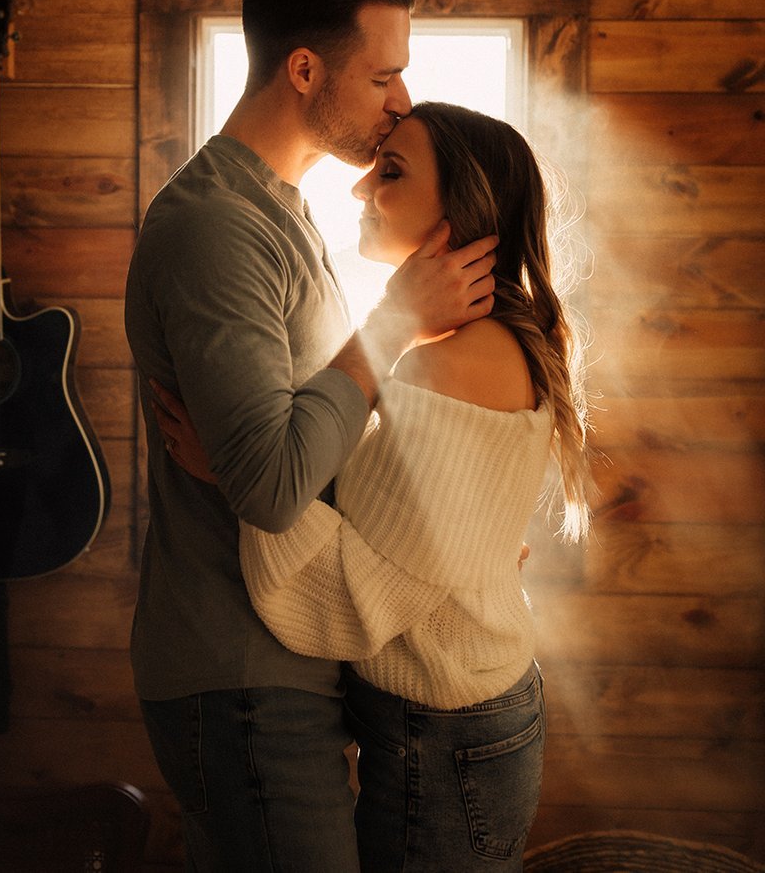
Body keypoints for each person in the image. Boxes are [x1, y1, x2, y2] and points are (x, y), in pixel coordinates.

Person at [124, 0, 499, 873]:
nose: (401, 101)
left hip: (286, 660)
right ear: (304, 69)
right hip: (238, 676)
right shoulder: (217, 227)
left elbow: (310, 454)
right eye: (384, 77)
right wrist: (393, 325)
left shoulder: (285, 209)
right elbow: (276, 487)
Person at [233, 102, 593, 872]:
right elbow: (411, 533)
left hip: (449, 731)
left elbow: (359, 592)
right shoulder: (463, 342)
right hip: (459, 717)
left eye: (390, 171)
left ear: (461, 211)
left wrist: (239, 467)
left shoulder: (455, 360)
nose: (361, 188)